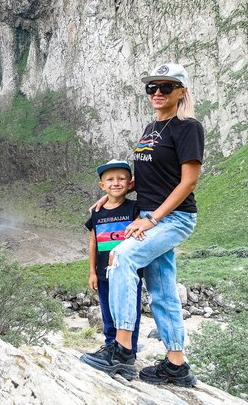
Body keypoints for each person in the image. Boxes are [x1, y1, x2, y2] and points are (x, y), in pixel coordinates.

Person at [80, 63, 204, 388]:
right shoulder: (151, 128)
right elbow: (153, 175)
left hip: (172, 218)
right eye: (152, 87)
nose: (158, 93)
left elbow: (188, 182)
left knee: (121, 257)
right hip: (150, 214)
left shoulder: (187, 127)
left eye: (166, 87)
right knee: (163, 293)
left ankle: (121, 351)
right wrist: (112, 196)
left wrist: (152, 218)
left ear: (182, 91)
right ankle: (176, 366)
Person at [84, 160, 143, 356]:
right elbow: (93, 243)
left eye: (121, 179)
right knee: (108, 314)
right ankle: (110, 348)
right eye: (110, 179)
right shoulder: (97, 213)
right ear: (102, 185)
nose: (115, 183)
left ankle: (129, 352)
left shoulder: (135, 208)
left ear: (130, 183)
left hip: (128, 274)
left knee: (128, 313)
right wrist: (92, 272)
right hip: (103, 274)